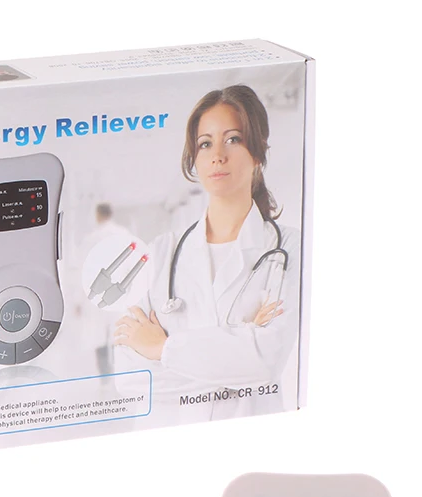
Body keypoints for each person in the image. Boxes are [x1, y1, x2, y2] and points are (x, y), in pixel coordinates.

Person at [113, 84, 301, 420]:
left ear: (257, 152)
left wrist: (161, 347)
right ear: (195, 158)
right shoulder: (162, 253)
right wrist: (237, 352)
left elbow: (266, 362)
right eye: (205, 143)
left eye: (233, 139)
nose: (217, 155)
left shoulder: (288, 248)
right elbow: (130, 378)